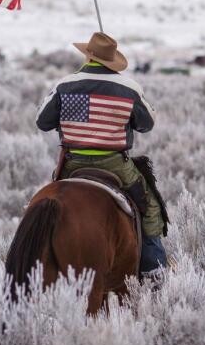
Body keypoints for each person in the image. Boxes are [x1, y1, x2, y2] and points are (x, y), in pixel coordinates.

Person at [35, 31, 167, 278]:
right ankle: (153, 270)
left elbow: (42, 121)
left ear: (89, 56)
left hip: (72, 164)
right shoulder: (129, 87)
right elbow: (147, 124)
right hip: (115, 164)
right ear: (111, 60)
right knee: (150, 207)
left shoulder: (64, 85)